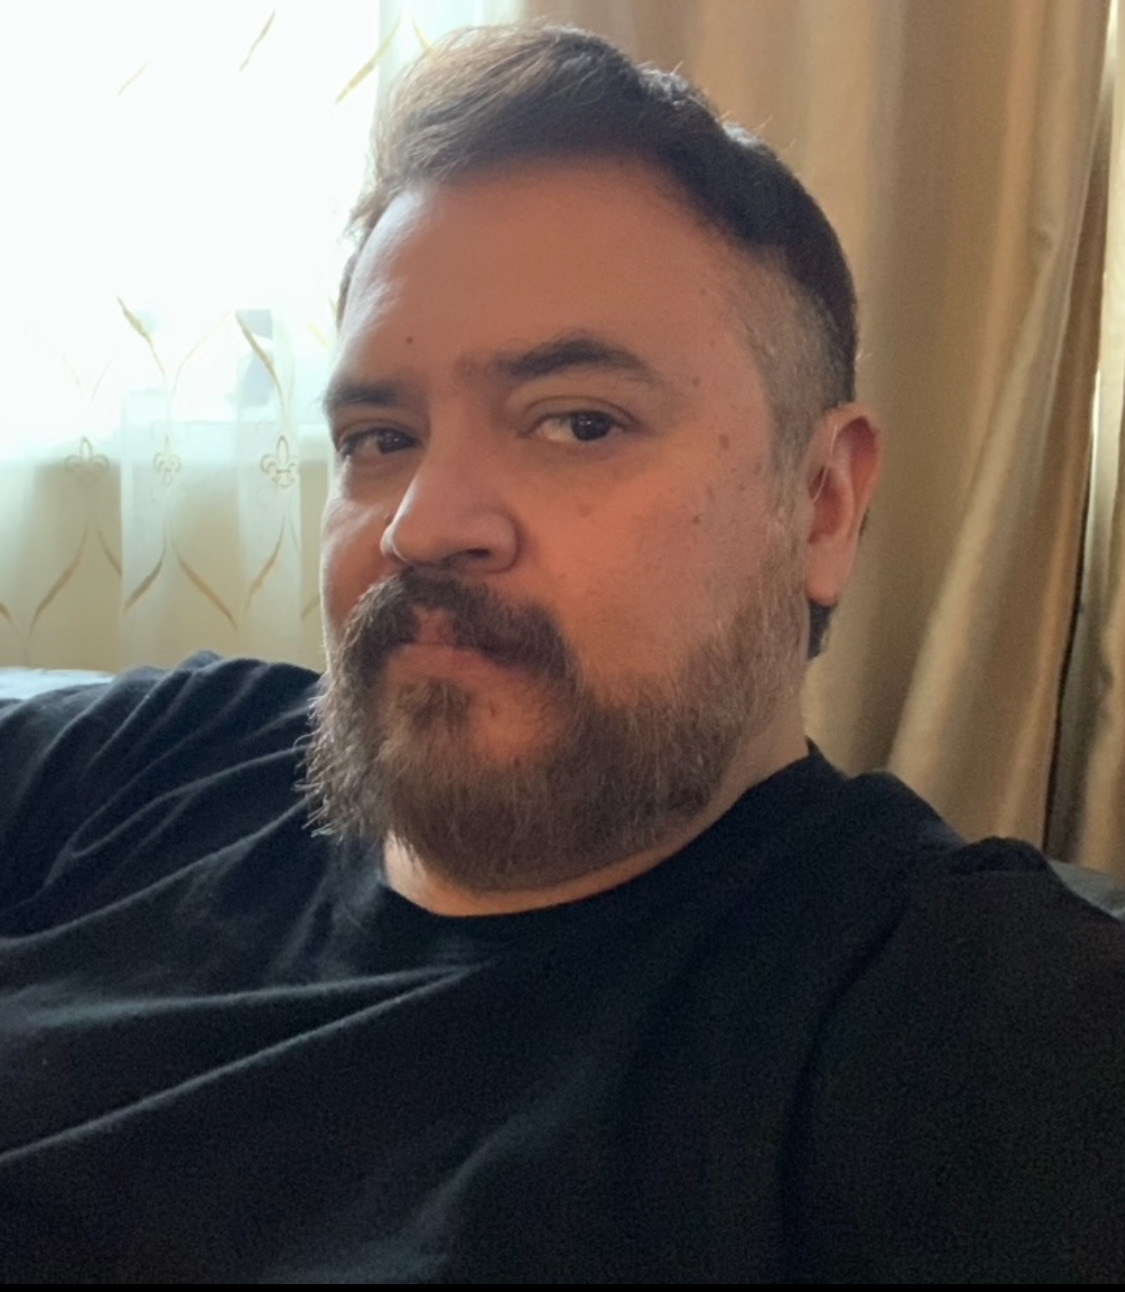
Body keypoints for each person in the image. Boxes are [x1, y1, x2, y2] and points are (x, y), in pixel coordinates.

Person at [1, 23, 1122, 1283]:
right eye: (380, 437)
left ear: (821, 504)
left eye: (578, 422)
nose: (423, 525)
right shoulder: (162, 754)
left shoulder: (952, 1018)